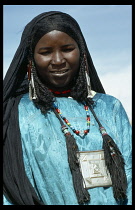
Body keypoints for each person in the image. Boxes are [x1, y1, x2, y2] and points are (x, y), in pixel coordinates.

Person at [3, 11, 132, 205]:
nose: (57, 60)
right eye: (46, 52)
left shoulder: (110, 107)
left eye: (67, 49)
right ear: (31, 60)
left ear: (82, 53)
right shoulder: (16, 115)